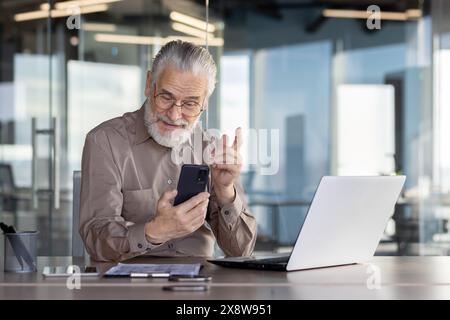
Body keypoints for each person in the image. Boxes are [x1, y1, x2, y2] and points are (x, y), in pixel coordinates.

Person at [79, 40, 257, 261]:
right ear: (148, 84)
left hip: (199, 285)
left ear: (204, 103)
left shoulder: (210, 148)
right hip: (129, 284)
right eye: (166, 97)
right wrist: (154, 232)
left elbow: (241, 251)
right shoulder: (105, 141)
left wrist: (225, 190)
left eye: (190, 103)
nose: (174, 115)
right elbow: (95, 237)